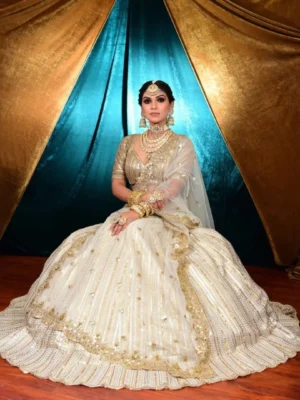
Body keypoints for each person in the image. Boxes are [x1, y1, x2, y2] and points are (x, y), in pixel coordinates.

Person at [0, 80, 299, 391]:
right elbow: (117, 185)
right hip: (133, 210)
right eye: (147, 100)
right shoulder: (128, 143)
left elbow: (173, 188)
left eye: (160, 100)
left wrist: (140, 212)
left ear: (171, 105)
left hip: (168, 216)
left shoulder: (182, 144)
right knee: (99, 239)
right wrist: (136, 206)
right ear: (140, 107)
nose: (153, 106)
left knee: (138, 235)